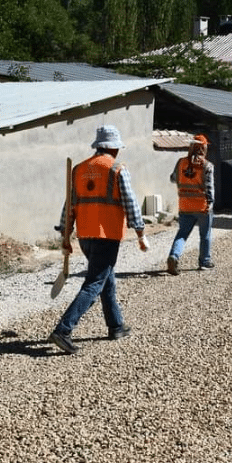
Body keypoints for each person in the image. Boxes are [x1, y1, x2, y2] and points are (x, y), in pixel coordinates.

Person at [48, 125, 150, 355]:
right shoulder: (117, 169)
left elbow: (69, 204)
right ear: (114, 148)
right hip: (107, 234)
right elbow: (131, 203)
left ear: (98, 146)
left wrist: (66, 233)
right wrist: (140, 233)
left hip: (85, 234)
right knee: (94, 282)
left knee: (106, 278)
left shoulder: (79, 169)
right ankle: (63, 330)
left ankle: (116, 325)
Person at [166, 134, 215, 275]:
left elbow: (172, 179)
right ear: (204, 148)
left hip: (185, 206)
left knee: (182, 234)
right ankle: (204, 262)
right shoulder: (207, 166)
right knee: (205, 235)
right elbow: (209, 188)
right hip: (202, 207)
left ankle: (174, 256)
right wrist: (210, 204)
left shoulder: (180, 162)